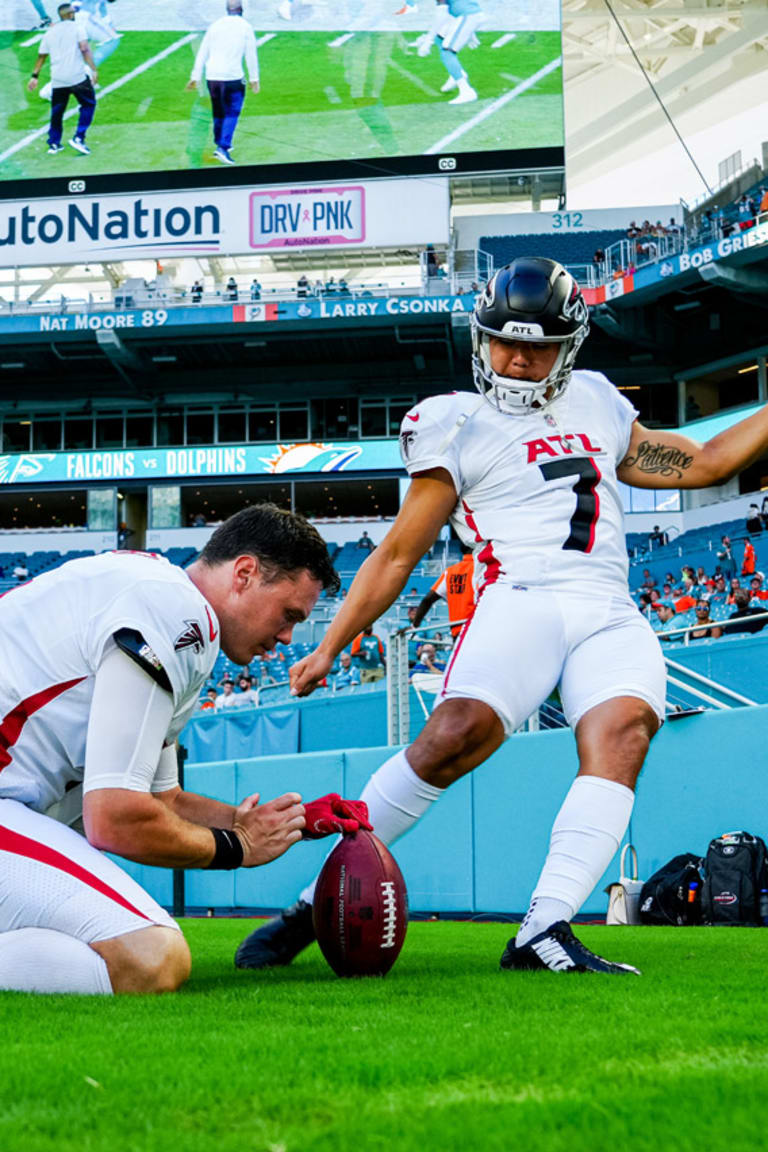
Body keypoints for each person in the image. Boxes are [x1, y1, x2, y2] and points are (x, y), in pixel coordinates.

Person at [235, 255, 768, 978]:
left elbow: (702, 461)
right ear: (480, 338)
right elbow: (396, 554)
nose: (517, 358)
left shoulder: (600, 400)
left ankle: (544, 928)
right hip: (520, 596)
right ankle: (309, 904)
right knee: (455, 737)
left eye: (538, 344)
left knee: (625, 732)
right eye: (503, 340)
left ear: (570, 345)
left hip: (608, 605)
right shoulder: (456, 420)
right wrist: (332, 645)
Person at [0, 504, 359, 996]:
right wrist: (239, 848)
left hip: (12, 804)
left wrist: (272, 824)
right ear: (245, 573)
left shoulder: (163, 598)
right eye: (288, 614)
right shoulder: (174, 613)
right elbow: (114, 818)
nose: (286, 638)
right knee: (152, 957)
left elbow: (162, 800)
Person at [187, 0, 259, 166]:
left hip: (213, 77)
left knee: (218, 111)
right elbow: (251, 54)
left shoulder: (215, 25)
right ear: (242, 10)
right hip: (233, 77)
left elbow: (203, 52)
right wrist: (254, 79)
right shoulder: (245, 27)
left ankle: (220, 140)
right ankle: (223, 147)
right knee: (232, 112)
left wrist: (195, 76)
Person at [28, 2, 98, 157]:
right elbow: (85, 49)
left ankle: (54, 143)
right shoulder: (78, 28)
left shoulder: (50, 32)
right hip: (77, 77)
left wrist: (34, 76)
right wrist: (93, 69)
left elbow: (41, 56)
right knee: (88, 104)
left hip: (58, 79)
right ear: (71, 15)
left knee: (57, 112)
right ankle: (79, 138)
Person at [417, 0, 483, 106]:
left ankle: (466, 90)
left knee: (447, 51)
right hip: (468, 15)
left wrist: (428, 40)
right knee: (440, 39)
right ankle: (456, 73)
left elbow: (441, 15)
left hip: (467, 16)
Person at [412, 552, 474, 638]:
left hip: (458, 633)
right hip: (478, 631)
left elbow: (427, 599)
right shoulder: (483, 569)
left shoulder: (450, 572)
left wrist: (414, 626)